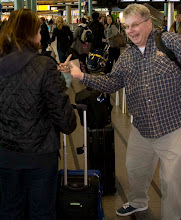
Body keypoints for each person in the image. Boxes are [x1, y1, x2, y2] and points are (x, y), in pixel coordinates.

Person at [62, 3, 181, 220]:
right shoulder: (127, 56)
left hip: (171, 127)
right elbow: (112, 82)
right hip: (141, 128)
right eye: (126, 27)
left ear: (148, 23)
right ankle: (137, 203)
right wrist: (81, 76)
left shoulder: (170, 42)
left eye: (134, 25)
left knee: (172, 181)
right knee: (135, 170)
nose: (130, 31)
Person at [0, 8, 76, 220]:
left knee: (9, 210)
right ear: (30, 33)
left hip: (5, 157)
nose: (41, 35)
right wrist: (63, 84)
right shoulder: (44, 65)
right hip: (40, 158)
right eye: (39, 31)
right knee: (41, 213)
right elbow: (66, 122)